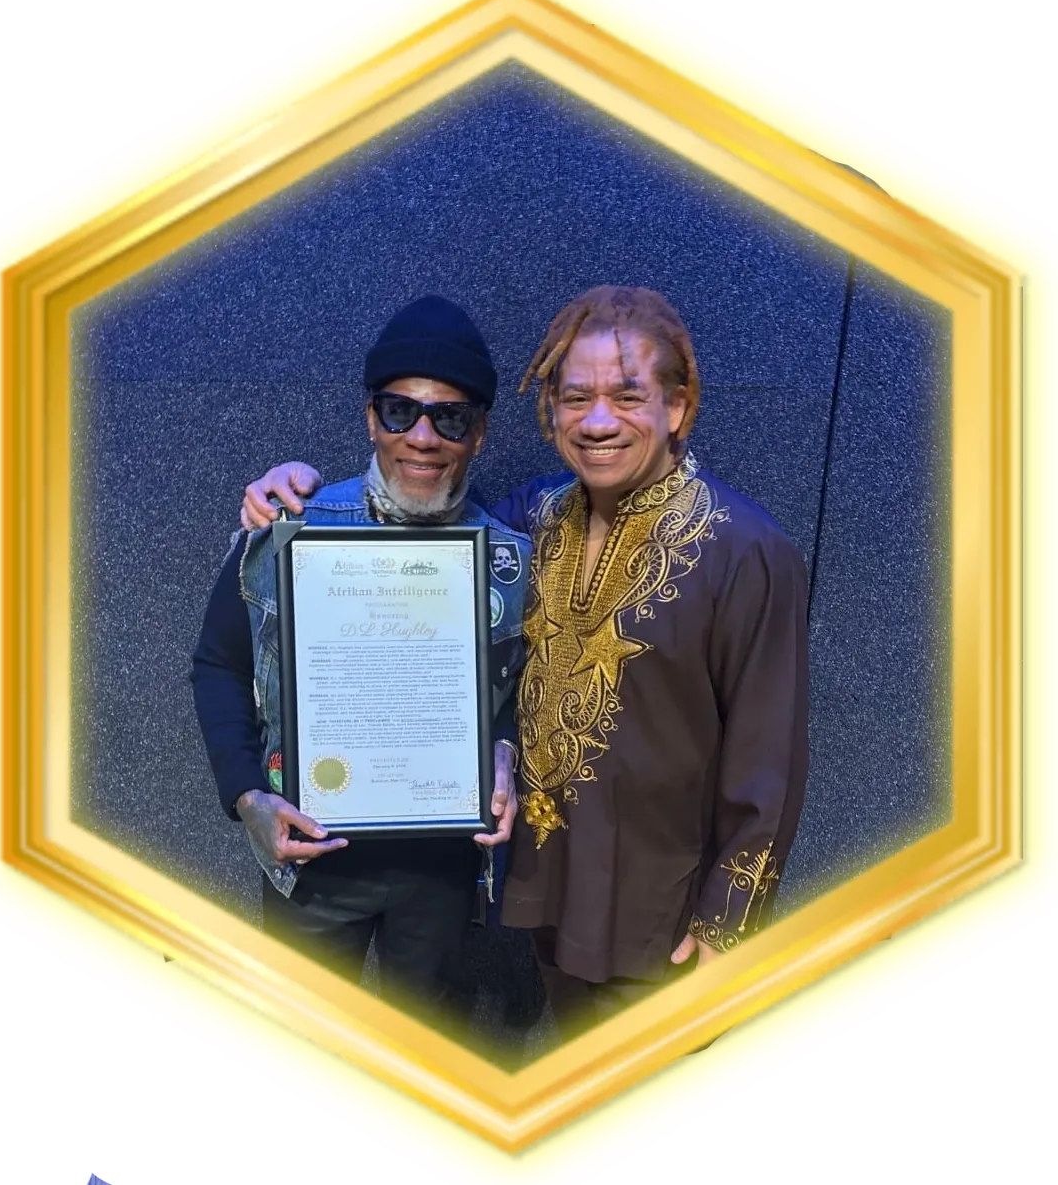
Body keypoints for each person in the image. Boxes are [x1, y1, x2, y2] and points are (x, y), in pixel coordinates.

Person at [238, 286, 810, 1040]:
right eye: (575, 398)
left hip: (665, 914)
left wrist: (728, 928)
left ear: (676, 407)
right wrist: (294, 492)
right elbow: (424, 524)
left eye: (626, 396)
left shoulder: (746, 550)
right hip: (550, 889)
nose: (597, 421)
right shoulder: (534, 518)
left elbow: (769, 761)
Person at [190, 294, 531, 1028]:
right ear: (371, 418)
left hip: (441, 869)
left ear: (479, 433)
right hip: (310, 861)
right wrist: (246, 797)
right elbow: (218, 664)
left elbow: (520, 693)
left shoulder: (510, 559)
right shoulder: (288, 528)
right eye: (400, 411)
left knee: (423, 1051)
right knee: (302, 1050)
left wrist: (505, 753)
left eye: (451, 417)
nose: (423, 437)